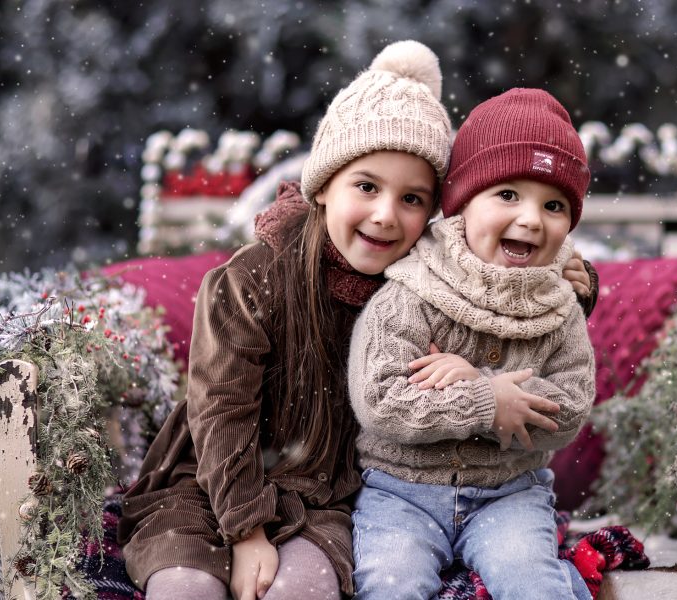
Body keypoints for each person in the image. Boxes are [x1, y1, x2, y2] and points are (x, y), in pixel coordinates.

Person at [118, 43, 596, 600]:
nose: (386, 215)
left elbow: (506, 288)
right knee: (186, 589)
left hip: (328, 494)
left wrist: (573, 282)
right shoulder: (255, 279)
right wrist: (247, 530)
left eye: (413, 198)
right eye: (366, 186)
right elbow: (222, 408)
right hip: (213, 482)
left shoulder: (421, 280)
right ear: (322, 185)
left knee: (301, 590)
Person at [348, 88, 596, 600]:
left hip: (509, 495)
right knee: (391, 584)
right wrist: (486, 404)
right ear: (461, 206)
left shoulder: (560, 305)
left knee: (533, 585)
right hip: (402, 492)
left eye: (553, 205)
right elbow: (379, 400)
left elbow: (570, 409)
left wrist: (479, 381)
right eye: (507, 195)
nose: (530, 219)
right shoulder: (413, 291)